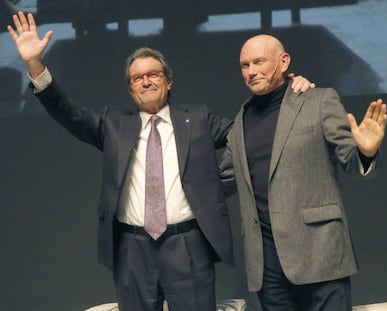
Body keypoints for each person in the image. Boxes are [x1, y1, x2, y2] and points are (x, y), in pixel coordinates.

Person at [7, 13, 313, 311]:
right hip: (132, 249)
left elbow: (250, 132)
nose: (146, 82)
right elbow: (66, 111)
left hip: (188, 245)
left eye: (153, 74)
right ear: (130, 89)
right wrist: (35, 64)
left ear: (169, 82)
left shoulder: (199, 119)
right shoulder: (113, 124)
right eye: (137, 78)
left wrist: (285, 90)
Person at [220, 34, 387, 311]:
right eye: (245, 65)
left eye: (259, 62)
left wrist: (366, 152)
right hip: (266, 264)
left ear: (283, 61)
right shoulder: (240, 120)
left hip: (319, 253)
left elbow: (350, 161)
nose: (251, 71)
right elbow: (223, 180)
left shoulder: (319, 100)